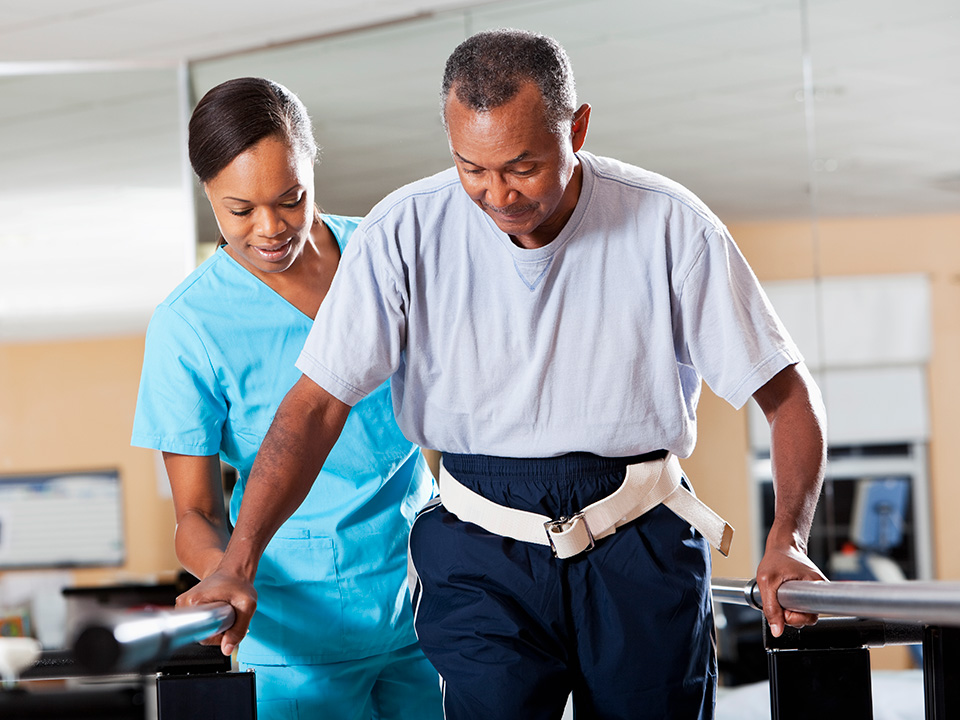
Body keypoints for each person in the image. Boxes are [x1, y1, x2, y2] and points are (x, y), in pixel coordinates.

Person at [179, 31, 828, 719]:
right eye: (472, 168)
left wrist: (787, 538)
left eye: (522, 165)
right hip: (478, 550)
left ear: (576, 128)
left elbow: (788, 397)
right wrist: (238, 559)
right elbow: (313, 407)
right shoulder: (403, 231)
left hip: (639, 535)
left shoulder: (670, 225)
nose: (497, 194)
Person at [131, 77, 442, 720]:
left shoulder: (381, 255)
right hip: (293, 634)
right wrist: (225, 571)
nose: (270, 229)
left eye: (291, 199)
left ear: (311, 167)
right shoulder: (188, 324)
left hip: (427, 608)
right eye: (239, 210)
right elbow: (193, 515)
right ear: (208, 195)